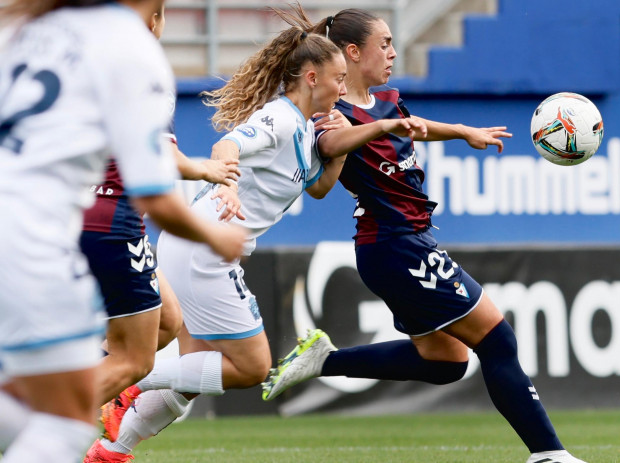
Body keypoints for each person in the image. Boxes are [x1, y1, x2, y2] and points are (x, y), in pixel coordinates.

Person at [83, 5, 426, 462]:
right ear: (310, 77)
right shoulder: (281, 118)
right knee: (251, 367)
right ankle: (128, 380)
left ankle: (111, 451)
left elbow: (321, 189)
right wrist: (226, 184)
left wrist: (346, 143)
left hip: (201, 248)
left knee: (193, 379)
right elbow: (230, 144)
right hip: (206, 246)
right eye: (338, 78)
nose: (344, 88)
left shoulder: (306, 130)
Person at [262, 9, 589, 463]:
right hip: (395, 246)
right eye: (385, 44)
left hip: (405, 245)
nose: (394, 53)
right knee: (498, 341)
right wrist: (364, 133)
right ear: (353, 53)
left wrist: (462, 132)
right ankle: (549, 455)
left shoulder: (387, 101)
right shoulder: (334, 116)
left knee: (447, 363)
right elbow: (326, 164)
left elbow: (413, 128)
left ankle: (324, 361)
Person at [0, 1, 246, 462]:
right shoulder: (130, 49)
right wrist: (214, 235)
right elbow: (154, 189)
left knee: (167, 320)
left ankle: (98, 385)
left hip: (20, 218)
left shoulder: (28, 34)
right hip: (73, 226)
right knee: (80, 400)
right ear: (155, 15)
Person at [79, 2, 242, 417]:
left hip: (65, 213)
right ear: (154, 20)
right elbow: (159, 158)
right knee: (135, 360)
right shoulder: (142, 64)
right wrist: (206, 169)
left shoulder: (80, 55)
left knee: (168, 320)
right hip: (113, 220)